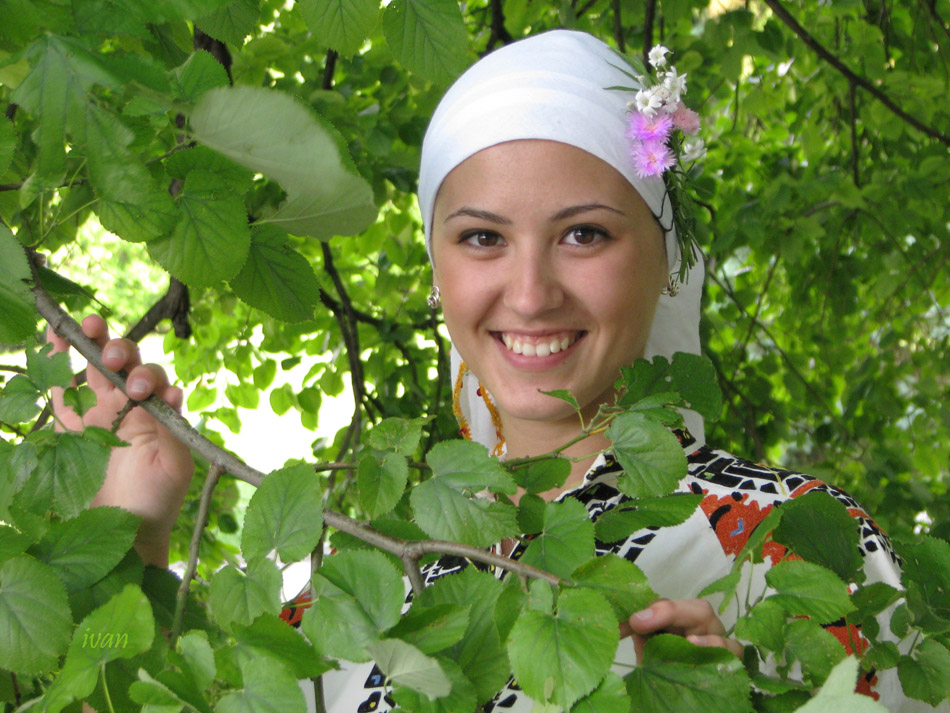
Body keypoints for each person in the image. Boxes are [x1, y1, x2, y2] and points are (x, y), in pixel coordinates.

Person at [51, 29, 935, 713]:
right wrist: (131, 535)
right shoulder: (356, 581)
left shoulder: (798, 542)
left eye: (583, 233)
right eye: (482, 237)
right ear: (438, 268)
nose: (531, 292)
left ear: (664, 260)